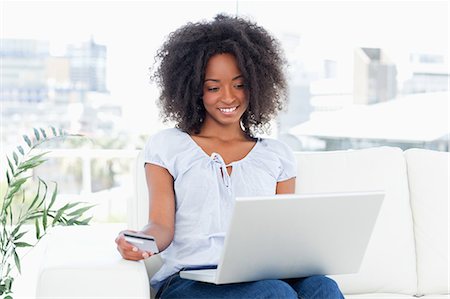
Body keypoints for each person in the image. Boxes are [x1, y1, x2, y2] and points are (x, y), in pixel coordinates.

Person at [116, 14, 344, 299]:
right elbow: (161, 225)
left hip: (257, 276)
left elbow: (283, 235)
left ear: (257, 84)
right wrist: (141, 242)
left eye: (239, 84)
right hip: (189, 280)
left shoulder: (277, 155)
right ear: (194, 90)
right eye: (213, 87)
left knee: (323, 287)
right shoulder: (168, 146)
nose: (228, 97)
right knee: (274, 293)